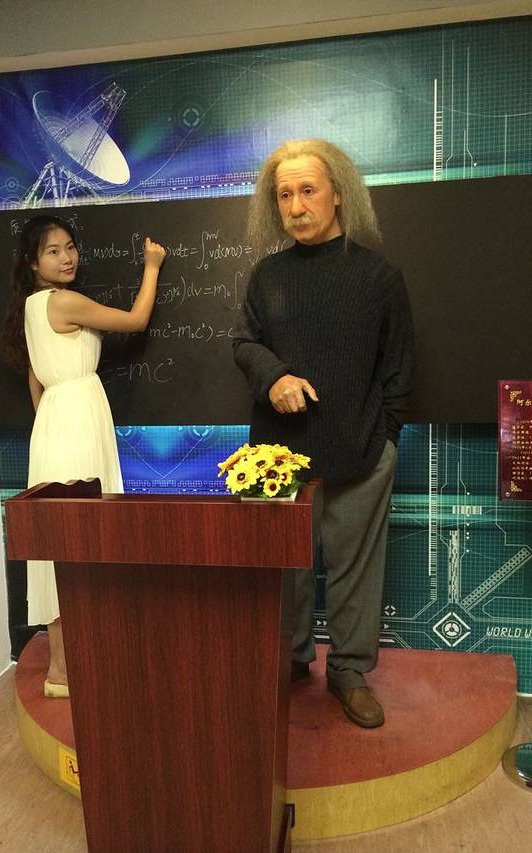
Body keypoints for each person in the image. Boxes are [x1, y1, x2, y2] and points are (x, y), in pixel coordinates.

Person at [233, 139, 413, 728]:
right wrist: (274, 376)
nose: (295, 205)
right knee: (282, 569)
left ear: (338, 194)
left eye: (307, 190)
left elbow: (398, 369)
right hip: (276, 457)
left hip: (360, 451)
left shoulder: (378, 276)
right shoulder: (267, 276)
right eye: (284, 195)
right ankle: (288, 662)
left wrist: (386, 441)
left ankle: (349, 671)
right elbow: (244, 343)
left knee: (355, 571)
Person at [3, 215, 166, 697]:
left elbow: (34, 376)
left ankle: (66, 667)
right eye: (53, 251)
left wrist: (51, 421)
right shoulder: (63, 301)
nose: (67, 257)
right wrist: (152, 266)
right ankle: (67, 669)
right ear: (33, 262)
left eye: (70, 246)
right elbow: (135, 321)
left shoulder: (32, 306)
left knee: (61, 542)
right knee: (85, 536)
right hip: (76, 417)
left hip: (58, 420)